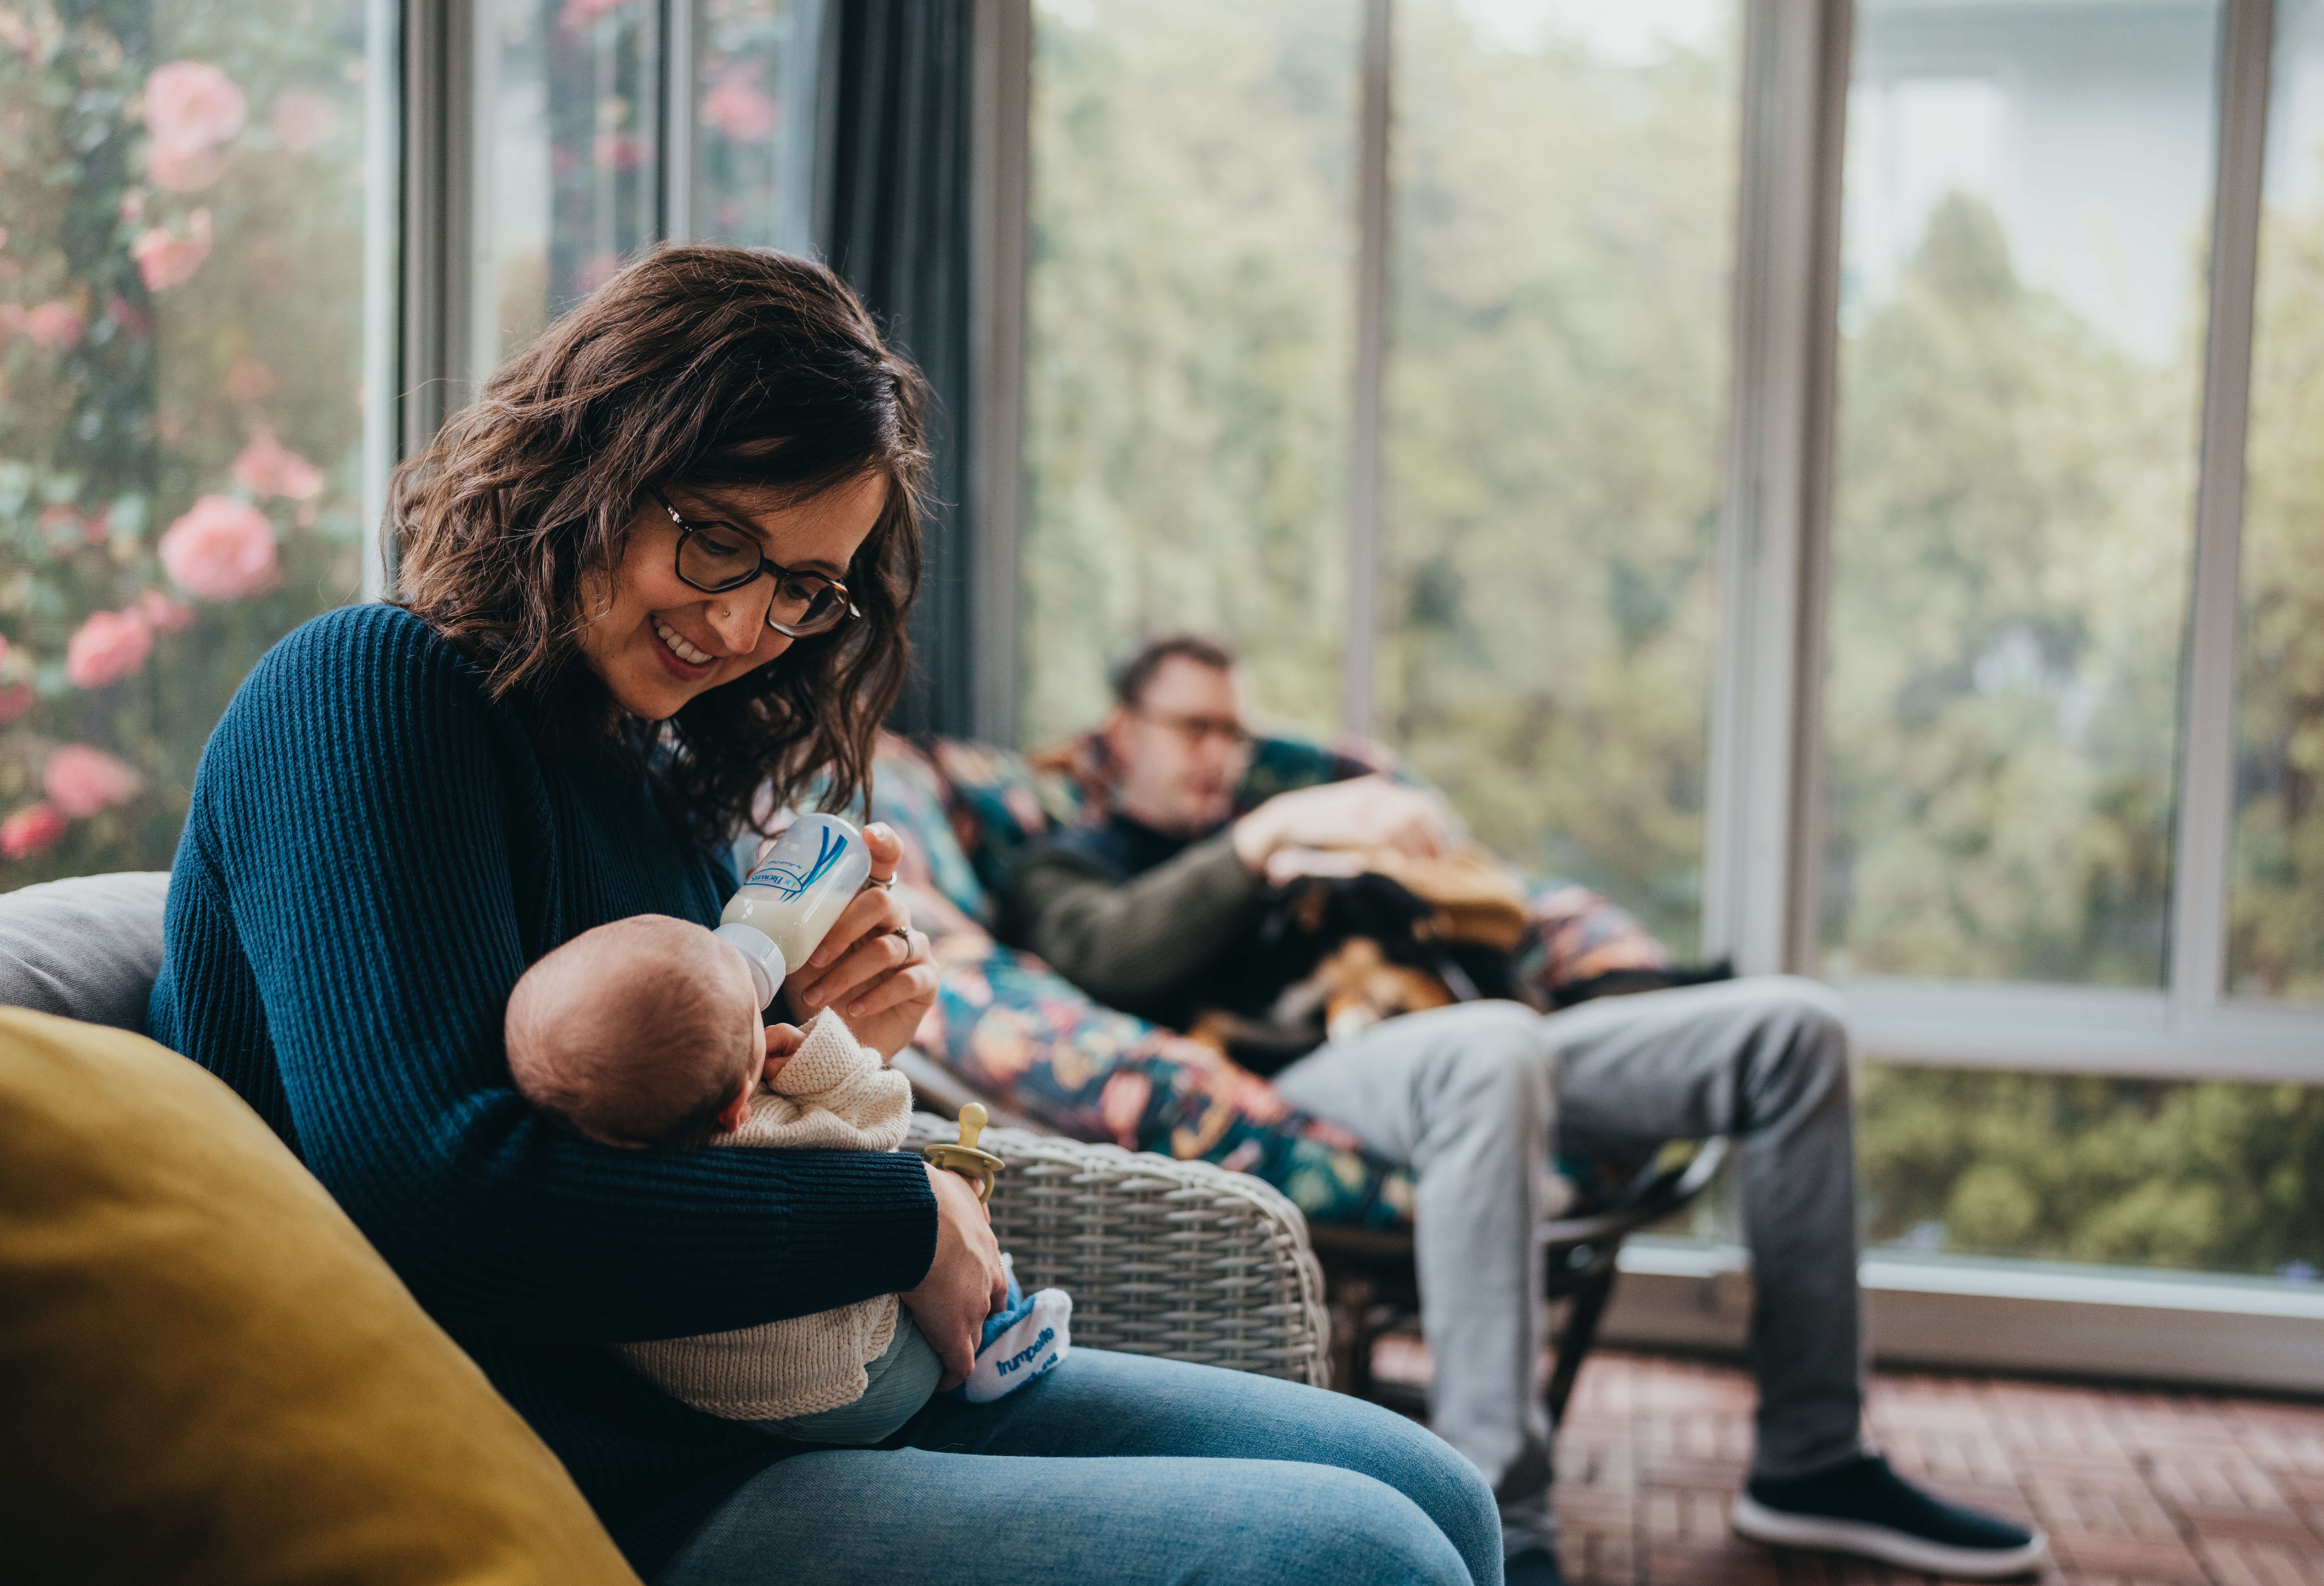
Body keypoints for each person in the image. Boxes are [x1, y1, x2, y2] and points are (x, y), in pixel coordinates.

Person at [147, 249, 1501, 1586]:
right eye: (719, 538)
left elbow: (677, 1120)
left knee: (1438, 1490)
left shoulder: (652, 768)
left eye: (802, 585)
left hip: (762, 1397)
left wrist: (812, 1033)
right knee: (1364, 1554)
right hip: (577, 1473)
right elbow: (439, 1201)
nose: (743, 625)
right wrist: (899, 1211)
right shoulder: (369, 693)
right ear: (593, 462)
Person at [1007, 634, 2051, 1585]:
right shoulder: (1081, 859)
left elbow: (1498, 959)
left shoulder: (1316, 854)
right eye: (1193, 726)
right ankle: (1507, 1528)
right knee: (1493, 1051)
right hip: (1304, 1078)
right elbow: (1104, 958)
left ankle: (1812, 1459)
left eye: (1233, 731)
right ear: (1123, 735)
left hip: (1481, 1044)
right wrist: (1265, 839)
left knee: (1794, 1029)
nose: (1220, 754)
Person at [504, 913, 1072, 1441]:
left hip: (723, 1396)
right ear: (734, 1109)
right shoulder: (769, 1134)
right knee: (968, 1250)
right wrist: (820, 1057)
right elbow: (879, 1119)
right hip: (868, 1382)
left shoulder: (603, 1146)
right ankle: (999, 1342)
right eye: (754, 1020)